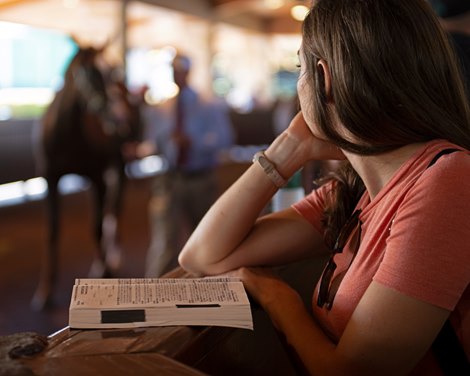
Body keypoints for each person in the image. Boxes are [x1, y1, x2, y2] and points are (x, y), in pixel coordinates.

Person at [178, 0, 470, 374]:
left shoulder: (447, 180)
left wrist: (277, 297)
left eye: (300, 69)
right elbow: (202, 256)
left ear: (324, 78)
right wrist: (287, 149)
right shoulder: (355, 191)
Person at [141, 53, 234, 277]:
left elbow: (224, 138)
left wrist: (194, 141)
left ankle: (205, 294)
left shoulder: (208, 105)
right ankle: (153, 293)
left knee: (203, 241)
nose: (177, 74)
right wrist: (145, 148)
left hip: (199, 178)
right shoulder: (162, 107)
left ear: (188, 72)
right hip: (170, 179)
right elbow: (152, 143)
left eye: (180, 69)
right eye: (173, 69)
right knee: (164, 242)